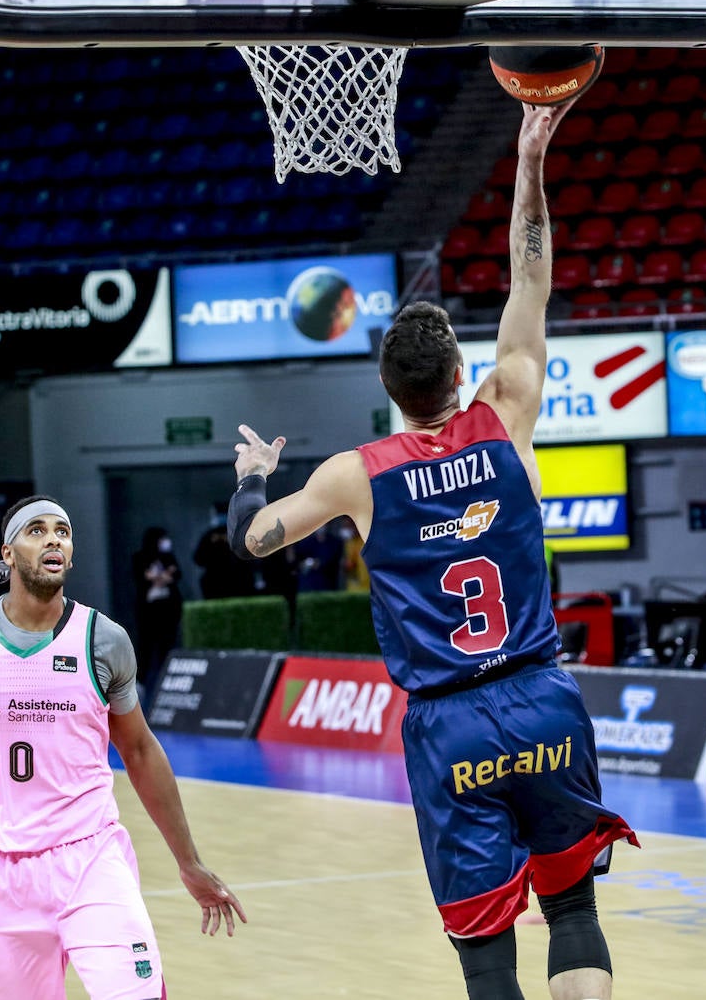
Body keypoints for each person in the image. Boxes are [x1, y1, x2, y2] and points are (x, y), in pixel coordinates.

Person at [224, 103, 635, 1000]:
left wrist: (254, 477)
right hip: (541, 696)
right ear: (459, 375)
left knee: (486, 951)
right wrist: (529, 158)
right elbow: (531, 278)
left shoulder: (355, 475)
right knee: (572, 909)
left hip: (450, 725)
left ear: (388, 389)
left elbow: (248, 539)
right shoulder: (507, 409)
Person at [0, 495, 244, 997]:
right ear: (8, 553)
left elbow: (140, 751)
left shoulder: (103, 639)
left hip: (91, 855)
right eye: (36, 530)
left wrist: (189, 861)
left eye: (63, 531)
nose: (53, 539)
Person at [132, 526, 183, 689]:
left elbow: (176, 574)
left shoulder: (168, 557)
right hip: (148, 609)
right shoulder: (140, 557)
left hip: (168, 607)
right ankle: (141, 682)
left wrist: (162, 577)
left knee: (167, 644)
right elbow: (142, 576)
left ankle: (166, 679)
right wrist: (162, 576)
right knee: (145, 647)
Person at [193, 502, 261, 599]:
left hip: (228, 581)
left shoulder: (211, 536)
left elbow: (198, 559)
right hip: (226, 581)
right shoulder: (239, 533)